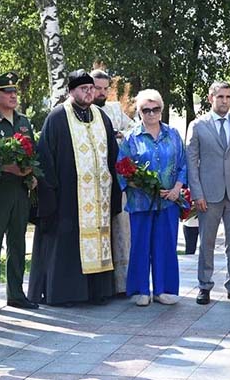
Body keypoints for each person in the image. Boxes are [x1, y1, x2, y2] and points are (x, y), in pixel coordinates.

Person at [28, 70, 121, 305]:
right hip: (67, 198)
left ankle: (96, 292)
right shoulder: (58, 117)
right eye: (83, 89)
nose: (89, 92)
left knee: (98, 240)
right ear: (71, 91)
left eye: (91, 88)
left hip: (99, 198)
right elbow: (45, 158)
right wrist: (52, 193)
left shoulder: (101, 116)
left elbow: (113, 156)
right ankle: (65, 294)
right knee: (67, 244)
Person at [186, 81, 230, 305]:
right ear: (210, 98)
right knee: (207, 241)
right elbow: (191, 162)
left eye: (228, 97)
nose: (225, 101)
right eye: (220, 97)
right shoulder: (197, 125)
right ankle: (204, 285)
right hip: (208, 194)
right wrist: (197, 194)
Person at [118, 89, 187, 306]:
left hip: (169, 201)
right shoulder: (131, 137)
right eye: (145, 110)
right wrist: (140, 184)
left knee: (166, 245)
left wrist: (177, 188)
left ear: (161, 110)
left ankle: (164, 289)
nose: (151, 114)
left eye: (155, 109)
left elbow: (184, 164)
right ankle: (140, 290)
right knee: (140, 245)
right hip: (141, 201)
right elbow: (122, 168)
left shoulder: (173, 135)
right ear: (139, 112)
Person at [0, 72, 39, 314]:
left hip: (20, 190)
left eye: (14, 92)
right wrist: (8, 168)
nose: (13, 96)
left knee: (17, 243)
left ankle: (16, 294)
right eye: (7, 92)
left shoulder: (24, 121)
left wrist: (31, 173)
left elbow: (33, 152)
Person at [90, 68, 133, 294]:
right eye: (97, 88)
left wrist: (121, 135)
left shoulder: (115, 110)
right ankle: (99, 286)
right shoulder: (83, 112)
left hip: (117, 180)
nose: (102, 92)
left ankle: (121, 284)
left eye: (105, 88)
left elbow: (134, 130)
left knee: (120, 230)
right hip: (92, 184)